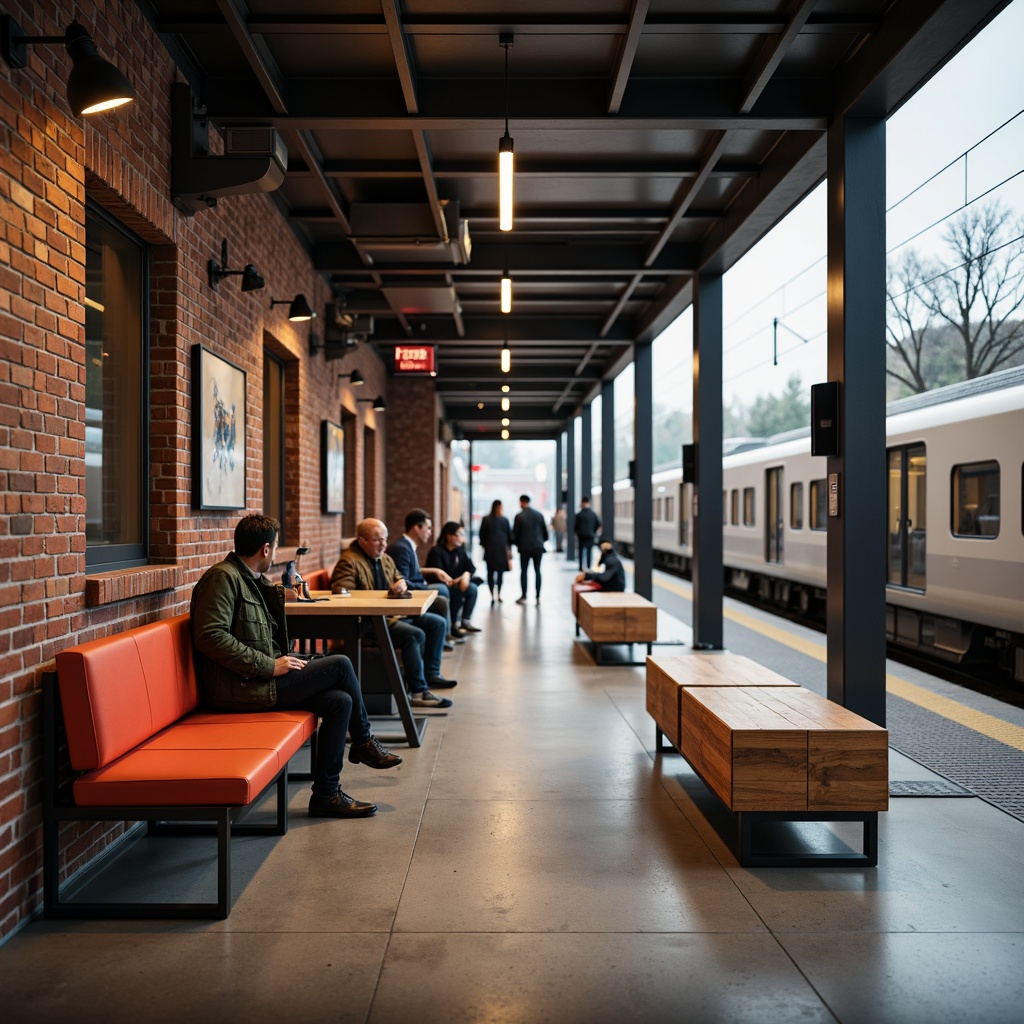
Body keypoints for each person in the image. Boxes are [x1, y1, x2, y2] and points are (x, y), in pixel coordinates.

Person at [190, 513, 400, 820]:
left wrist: (281, 596)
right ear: (265, 549)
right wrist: (269, 666)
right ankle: (364, 742)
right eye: (275, 547)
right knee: (341, 664)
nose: (275, 554)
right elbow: (210, 636)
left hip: (257, 680)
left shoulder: (249, 578)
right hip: (241, 688)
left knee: (340, 702)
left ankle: (326, 795)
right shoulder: (223, 578)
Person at [331, 518, 455, 705]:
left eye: (385, 539)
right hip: (366, 622)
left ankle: (431, 674)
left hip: (389, 616)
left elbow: (399, 579)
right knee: (414, 635)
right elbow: (342, 593)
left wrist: (400, 587)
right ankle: (419, 692)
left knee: (437, 623)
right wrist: (389, 593)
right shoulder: (348, 561)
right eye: (377, 540)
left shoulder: (386, 559)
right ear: (362, 540)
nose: (383, 544)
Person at [386, 508, 463, 644]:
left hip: (415, 586)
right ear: (416, 528)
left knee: (442, 590)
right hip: (407, 594)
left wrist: (432, 571)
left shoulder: (407, 545)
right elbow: (401, 581)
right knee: (442, 590)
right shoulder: (402, 548)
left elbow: (411, 571)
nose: (430, 532)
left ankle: (446, 634)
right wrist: (424, 586)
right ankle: (444, 636)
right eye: (428, 528)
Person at [426, 522, 480, 632]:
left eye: (463, 534)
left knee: (473, 589)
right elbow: (439, 577)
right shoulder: (437, 551)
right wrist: (458, 581)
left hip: (459, 584)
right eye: (459, 534)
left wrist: (465, 576)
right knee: (450, 591)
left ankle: (465, 621)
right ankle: (451, 627)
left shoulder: (460, 551)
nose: (462, 537)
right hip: (444, 585)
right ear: (449, 536)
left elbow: (471, 568)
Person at [511, 493, 548, 604]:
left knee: (524, 571)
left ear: (521, 502)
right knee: (537, 571)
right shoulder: (538, 514)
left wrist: (517, 545)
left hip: (524, 548)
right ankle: (537, 597)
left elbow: (515, 535)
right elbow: (545, 533)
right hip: (538, 547)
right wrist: (541, 542)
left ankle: (524, 596)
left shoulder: (519, 516)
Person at [479, 499, 513, 603]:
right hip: (497, 550)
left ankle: (495, 594)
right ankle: (494, 594)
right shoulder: (503, 520)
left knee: (493, 572)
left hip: (493, 550)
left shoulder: (488, 519)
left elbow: (482, 535)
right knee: (494, 573)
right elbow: (509, 537)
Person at [574, 496, 601, 571]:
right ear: (588, 503)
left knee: (580, 552)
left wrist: (578, 533)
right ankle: (588, 567)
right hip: (590, 536)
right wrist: (593, 531)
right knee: (589, 552)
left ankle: (580, 567)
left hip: (581, 536)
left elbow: (575, 526)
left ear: (582, 503)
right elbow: (598, 524)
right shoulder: (593, 514)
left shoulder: (579, 515)